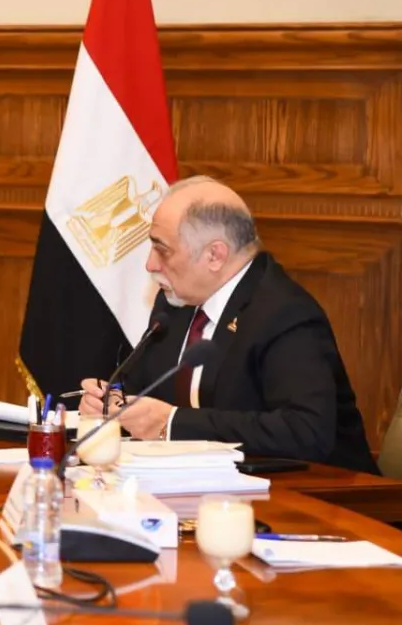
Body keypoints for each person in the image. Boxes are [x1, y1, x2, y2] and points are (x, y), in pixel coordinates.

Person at [79, 177, 378, 474]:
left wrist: (171, 422)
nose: (151, 265)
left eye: (163, 250)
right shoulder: (176, 304)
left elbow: (305, 431)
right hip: (207, 483)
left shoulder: (285, 314)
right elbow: (144, 390)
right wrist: (113, 403)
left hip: (325, 491)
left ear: (215, 255)